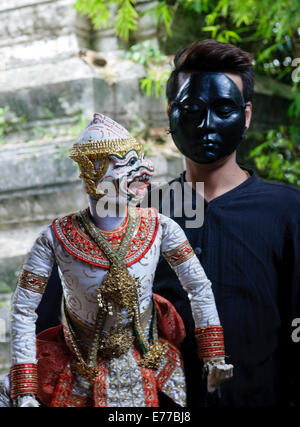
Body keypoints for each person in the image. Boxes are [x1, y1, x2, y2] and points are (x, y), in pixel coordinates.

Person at [0, 113, 233, 407]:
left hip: (151, 360)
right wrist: (25, 389)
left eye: (141, 159)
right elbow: (22, 308)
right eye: (126, 163)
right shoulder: (55, 237)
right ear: (93, 169)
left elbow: (198, 286)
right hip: (79, 367)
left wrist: (213, 354)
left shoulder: (161, 227)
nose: (145, 170)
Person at [150, 39, 300, 407]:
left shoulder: (288, 210)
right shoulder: (144, 215)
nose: (207, 124)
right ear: (170, 111)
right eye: (192, 109)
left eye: (223, 108)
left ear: (246, 115)